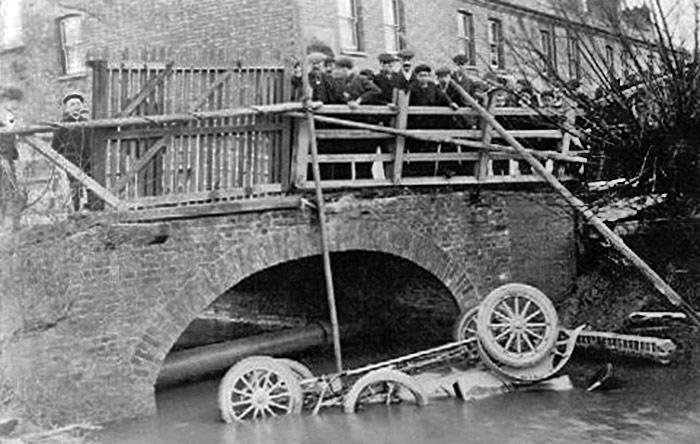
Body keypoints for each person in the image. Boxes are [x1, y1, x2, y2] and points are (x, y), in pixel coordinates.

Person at [51, 91, 95, 211]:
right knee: (74, 186)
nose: (76, 107)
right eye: (72, 105)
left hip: (87, 159)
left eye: (78, 104)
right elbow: (55, 147)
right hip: (70, 160)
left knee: (91, 184)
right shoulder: (62, 125)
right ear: (66, 109)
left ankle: (91, 207)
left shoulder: (87, 124)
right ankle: (74, 209)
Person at [0, 86, 25, 231]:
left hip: (9, 158)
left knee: (12, 190)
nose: (15, 105)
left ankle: (12, 226)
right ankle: (6, 227)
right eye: (11, 101)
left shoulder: (10, 117)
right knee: (6, 191)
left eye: (17, 102)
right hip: (2, 158)